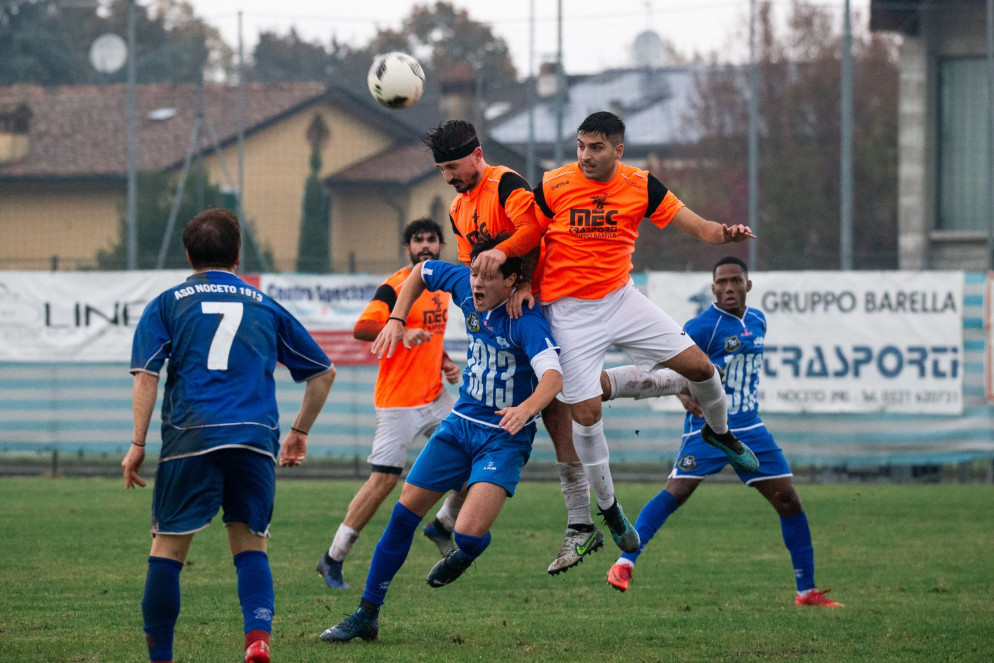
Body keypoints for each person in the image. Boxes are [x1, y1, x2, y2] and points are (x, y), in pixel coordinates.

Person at [473, 110, 759, 555]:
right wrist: (522, 278)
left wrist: (723, 234)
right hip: (569, 311)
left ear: (618, 150)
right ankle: (609, 510)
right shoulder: (554, 184)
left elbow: (696, 225)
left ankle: (719, 433)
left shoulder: (640, 185)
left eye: (597, 147)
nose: (586, 156)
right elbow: (529, 233)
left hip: (621, 299)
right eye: (581, 146)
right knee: (586, 415)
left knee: (702, 369)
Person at [423, 120, 685, 575]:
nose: (447, 177)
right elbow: (474, 269)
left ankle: (581, 523)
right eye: (441, 170)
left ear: (477, 155)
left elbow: (536, 233)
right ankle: (672, 382)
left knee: (560, 407)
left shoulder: (506, 185)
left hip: (546, 307)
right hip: (510, 319)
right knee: (567, 398)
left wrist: (524, 282)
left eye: (452, 167)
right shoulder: (458, 208)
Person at [319, 235, 563, 643]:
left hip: (503, 438)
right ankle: (366, 613)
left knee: (467, 535)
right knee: (402, 517)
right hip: (459, 424)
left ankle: (467, 551)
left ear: (512, 281)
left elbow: (553, 377)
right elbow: (420, 272)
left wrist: (526, 409)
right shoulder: (466, 285)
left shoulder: (526, 320)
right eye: (474, 273)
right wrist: (397, 318)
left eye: (488, 276)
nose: (477, 283)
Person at [121, 208, 336, 663]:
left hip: (191, 435)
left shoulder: (167, 303)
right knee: (250, 544)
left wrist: (138, 444)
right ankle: (257, 640)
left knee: (168, 548)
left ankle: (161, 657)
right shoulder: (265, 305)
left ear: (188, 255)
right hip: (254, 437)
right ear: (238, 255)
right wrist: (299, 431)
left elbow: (147, 376)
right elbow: (323, 372)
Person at [606, 257, 843, 608]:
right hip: (708, 427)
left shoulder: (758, 320)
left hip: (751, 426)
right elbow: (667, 366)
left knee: (789, 500)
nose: (729, 287)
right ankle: (625, 563)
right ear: (713, 288)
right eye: (722, 282)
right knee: (676, 492)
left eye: (735, 281)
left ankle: (806, 591)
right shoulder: (702, 326)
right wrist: (682, 394)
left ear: (748, 285)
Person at [316, 218, 465, 589]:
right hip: (398, 401)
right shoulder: (394, 286)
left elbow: (428, 337)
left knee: (476, 453)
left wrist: (444, 360)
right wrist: (401, 329)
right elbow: (363, 327)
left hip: (435, 397)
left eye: (431, 239)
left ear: (441, 246)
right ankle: (332, 558)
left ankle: (442, 525)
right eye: (418, 240)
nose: (425, 245)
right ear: (407, 248)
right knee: (383, 481)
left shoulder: (441, 285)